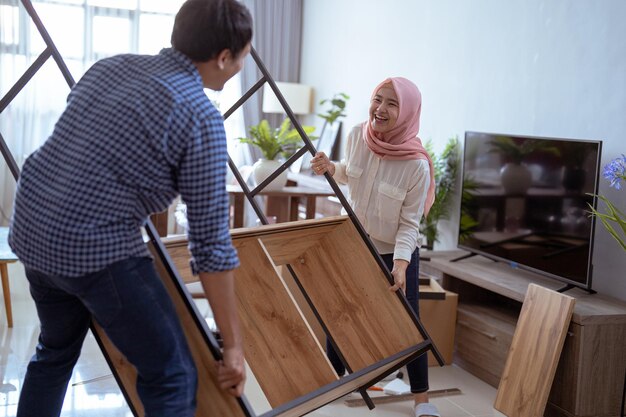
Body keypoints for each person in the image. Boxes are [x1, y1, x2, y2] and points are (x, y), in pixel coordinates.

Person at [8, 0, 252, 416]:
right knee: (172, 373)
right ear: (224, 57)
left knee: (55, 351)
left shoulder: (112, 67)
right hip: (91, 245)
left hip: (31, 226)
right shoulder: (201, 116)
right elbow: (210, 246)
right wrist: (234, 347)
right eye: (244, 55)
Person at [310, 77, 439, 417]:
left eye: (392, 104)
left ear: (408, 111)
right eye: (377, 99)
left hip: (393, 251)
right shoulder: (357, 135)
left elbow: (411, 223)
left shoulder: (416, 164)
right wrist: (331, 167)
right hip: (351, 242)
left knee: (408, 323)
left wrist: (400, 263)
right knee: (337, 309)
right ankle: (335, 378)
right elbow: (350, 174)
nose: (380, 109)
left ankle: (422, 400)